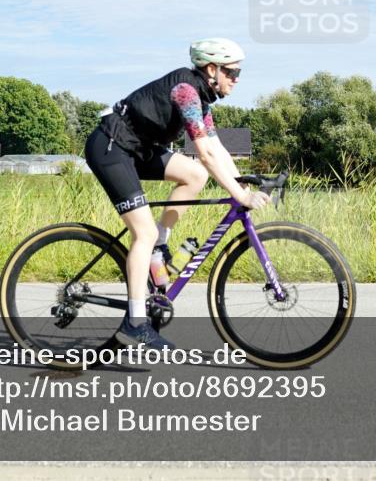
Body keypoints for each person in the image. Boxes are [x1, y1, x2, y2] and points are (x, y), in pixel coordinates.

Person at [84, 38, 270, 350]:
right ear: (211, 69)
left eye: (238, 73)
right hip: (111, 148)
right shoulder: (186, 91)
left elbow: (216, 148)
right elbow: (205, 154)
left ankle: (159, 244)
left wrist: (244, 184)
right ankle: (135, 324)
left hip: (138, 149)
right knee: (142, 233)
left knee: (194, 175)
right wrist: (239, 196)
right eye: (232, 73)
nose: (236, 79)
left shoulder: (201, 98)